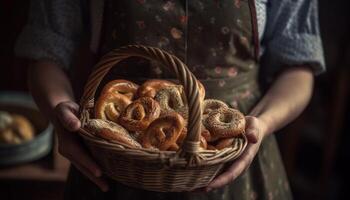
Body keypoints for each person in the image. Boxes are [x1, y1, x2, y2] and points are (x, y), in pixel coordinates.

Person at [15, 0, 325, 199]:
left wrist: (263, 124)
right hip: (117, 159)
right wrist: (60, 112)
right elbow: (46, 55)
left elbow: (297, 68)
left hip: (237, 159)